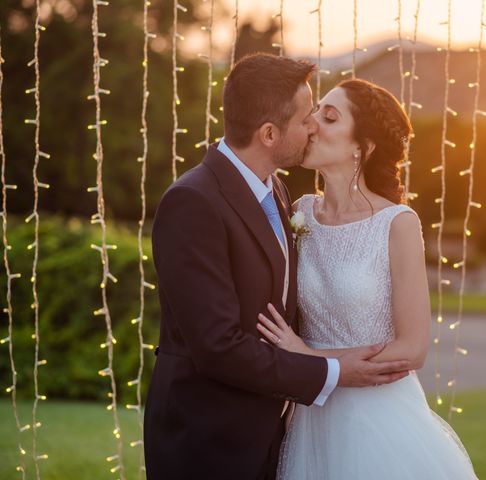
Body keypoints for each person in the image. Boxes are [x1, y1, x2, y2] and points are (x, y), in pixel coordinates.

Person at [144, 54, 411, 480]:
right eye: (307, 117)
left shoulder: (280, 193)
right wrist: (334, 369)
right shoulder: (192, 202)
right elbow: (218, 346)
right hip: (209, 442)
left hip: (278, 435)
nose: (313, 127)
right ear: (269, 133)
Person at [256, 78, 478, 479]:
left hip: (379, 420)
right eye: (315, 111)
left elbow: (412, 350)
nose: (312, 122)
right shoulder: (299, 210)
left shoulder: (397, 224)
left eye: (329, 116)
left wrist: (308, 358)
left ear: (364, 146)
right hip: (312, 419)